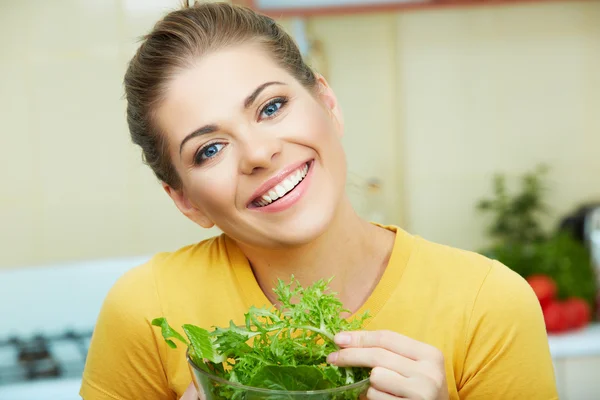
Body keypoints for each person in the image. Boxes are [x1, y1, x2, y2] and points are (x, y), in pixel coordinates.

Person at [80, 2, 558, 399]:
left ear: (327, 103)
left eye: (271, 107)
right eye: (209, 149)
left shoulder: (488, 307)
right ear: (186, 201)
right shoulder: (143, 310)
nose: (259, 153)